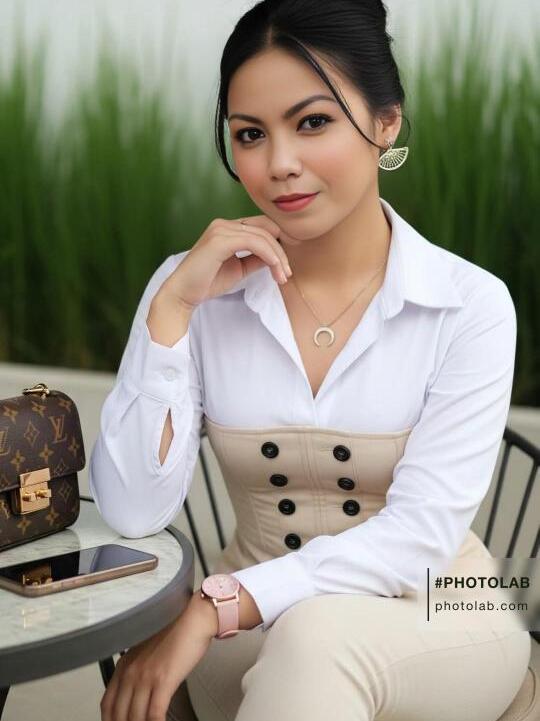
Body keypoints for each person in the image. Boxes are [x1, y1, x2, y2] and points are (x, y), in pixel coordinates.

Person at [89, 1, 533, 720]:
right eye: (250, 134)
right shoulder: (193, 289)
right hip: (247, 636)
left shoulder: (469, 304)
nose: (279, 164)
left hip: (440, 610)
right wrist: (170, 312)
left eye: (313, 122)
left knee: (315, 638)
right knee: (306, 641)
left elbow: (420, 539)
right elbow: (134, 511)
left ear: (386, 122)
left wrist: (217, 603)